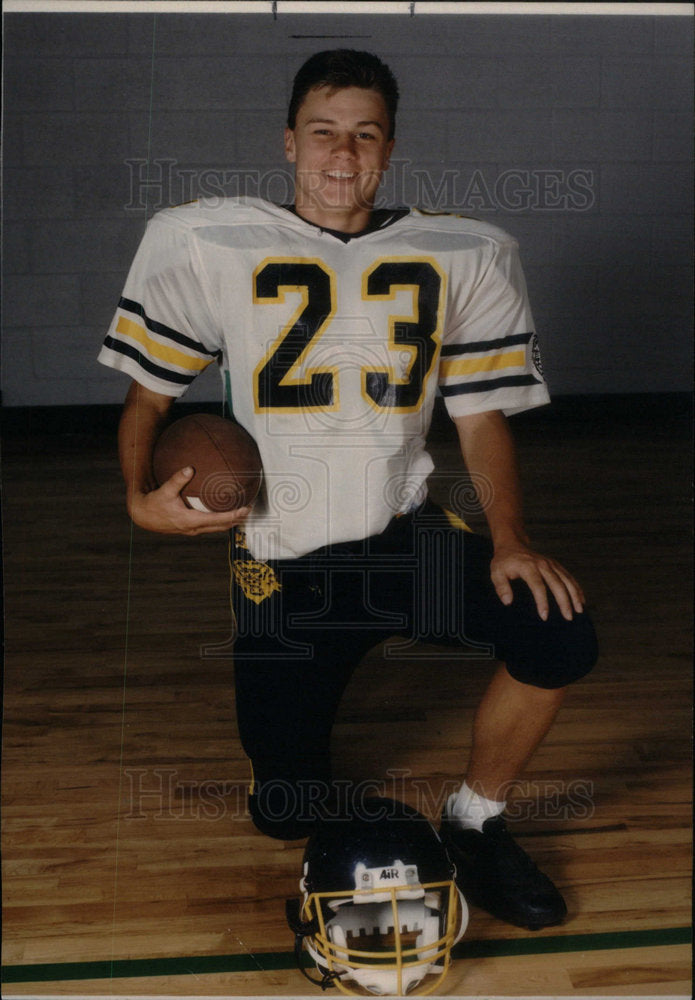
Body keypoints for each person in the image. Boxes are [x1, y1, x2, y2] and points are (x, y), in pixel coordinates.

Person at [99, 49, 598, 931]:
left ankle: (475, 820)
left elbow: (483, 419)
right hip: (284, 560)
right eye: (323, 133)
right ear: (289, 143)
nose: (342, 155)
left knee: (555, 632)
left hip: (399, 533)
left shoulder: (465, 252)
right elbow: (150, 391)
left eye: (364, 135)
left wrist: (510, 539)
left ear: (389, 149)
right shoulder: (207, 239)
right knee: (282, 812)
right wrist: (139, 491)